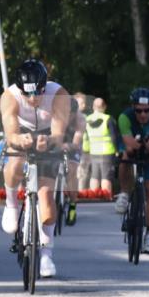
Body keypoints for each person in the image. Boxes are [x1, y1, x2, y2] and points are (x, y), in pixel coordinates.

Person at [0, 58, 71, 278]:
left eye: (38, 93)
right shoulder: (10, 96)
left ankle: (47, 255)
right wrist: (20, 140)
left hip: (49, 136)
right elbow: (10, 134)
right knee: (16, 161)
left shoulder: (58, 94)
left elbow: (59, 134)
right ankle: (11, 205)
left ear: (44, 86)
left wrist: (48, 142)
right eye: (27, 94)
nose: (33, 99)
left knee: (46, 195)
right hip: (21, 133)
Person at [113, 88, 149, 255]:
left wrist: (148, 145)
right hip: (132, 150)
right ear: (133, 108)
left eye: (146, 110)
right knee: (126, 153)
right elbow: (129, 142)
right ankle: (124, 193)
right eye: (138, 110)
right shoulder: (125, 117)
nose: (143, 114)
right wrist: (141, 144)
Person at [85, 97, 120, 194]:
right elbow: (114, 136)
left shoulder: (87, 119)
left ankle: (93, 195)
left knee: (94, 175)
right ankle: (106, 195)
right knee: (106, 176)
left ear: (93, 107)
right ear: (104, 107)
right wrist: (117, 150)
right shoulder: (107, 119)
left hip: (93, 151)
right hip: (107, 151)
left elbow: (85, 136)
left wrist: (86, 149)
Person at [61, 96, 86, 225]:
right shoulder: (56, 115)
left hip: (72, 144)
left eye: (70, 114)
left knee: (71, 170)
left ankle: (72, 205)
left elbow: (76, 141)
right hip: (58, 141)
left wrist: (68, 146)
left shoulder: (80, 119)